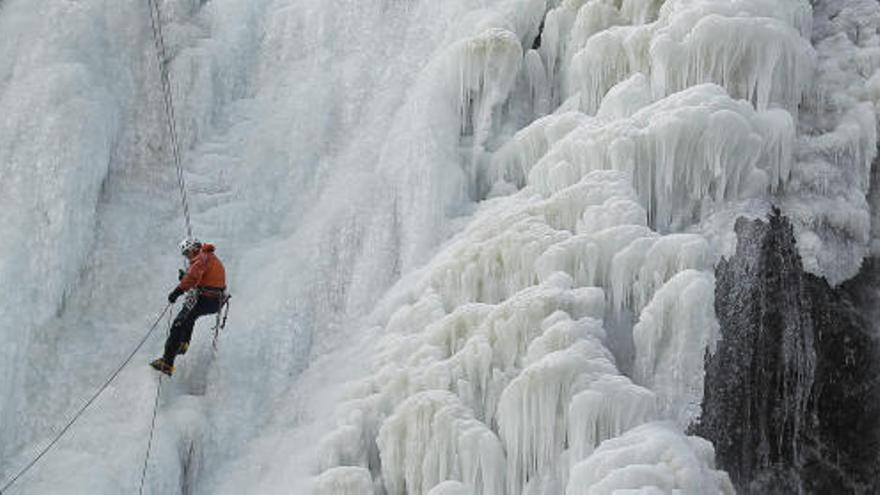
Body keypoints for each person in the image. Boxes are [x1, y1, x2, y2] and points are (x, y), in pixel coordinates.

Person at [150, 237, 227, 376]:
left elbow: (192, 278)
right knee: (190, 316)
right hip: (215, 301)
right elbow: (200, 277)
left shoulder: (202, 257)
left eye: (188, 253)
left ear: (194, 248)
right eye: (185, 254)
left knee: (178, 323)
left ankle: (167, 363)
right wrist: (185, 277)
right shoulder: (208, 257)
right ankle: (183, 343)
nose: (187, 256)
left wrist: (177, 291)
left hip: (207, 299)